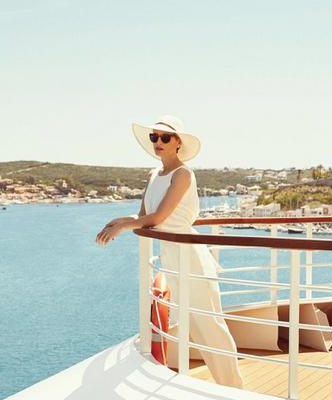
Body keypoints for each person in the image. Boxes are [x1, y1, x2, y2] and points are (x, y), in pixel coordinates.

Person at [95, 114, 244, 389]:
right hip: (171, 257)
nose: (158, 142)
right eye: (154, 137)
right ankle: (225, 387)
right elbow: (144, 216)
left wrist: (125, 227)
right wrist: (119, 221)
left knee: (210, 325)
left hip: (190, 256)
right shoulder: (153, 175)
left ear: (178, 142)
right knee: (195, 326)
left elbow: (159, 217)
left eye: (165, 137)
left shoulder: (183, 174)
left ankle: (235, 389)